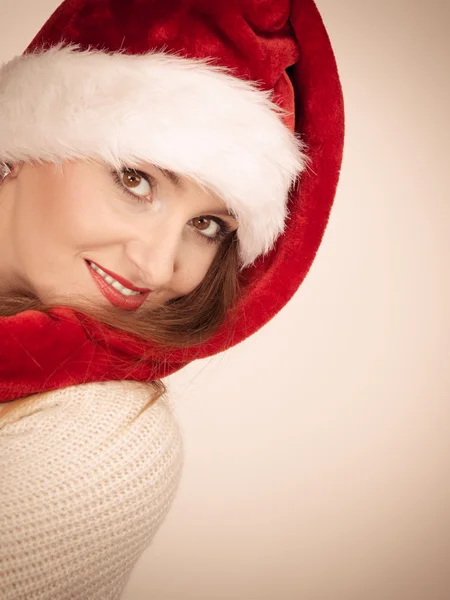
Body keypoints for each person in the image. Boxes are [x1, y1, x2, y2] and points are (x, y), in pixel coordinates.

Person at [0, 0, 344, 598]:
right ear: (28, 139)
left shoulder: (106, 443)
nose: (160, 267)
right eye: (137, 180)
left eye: (209, 226)